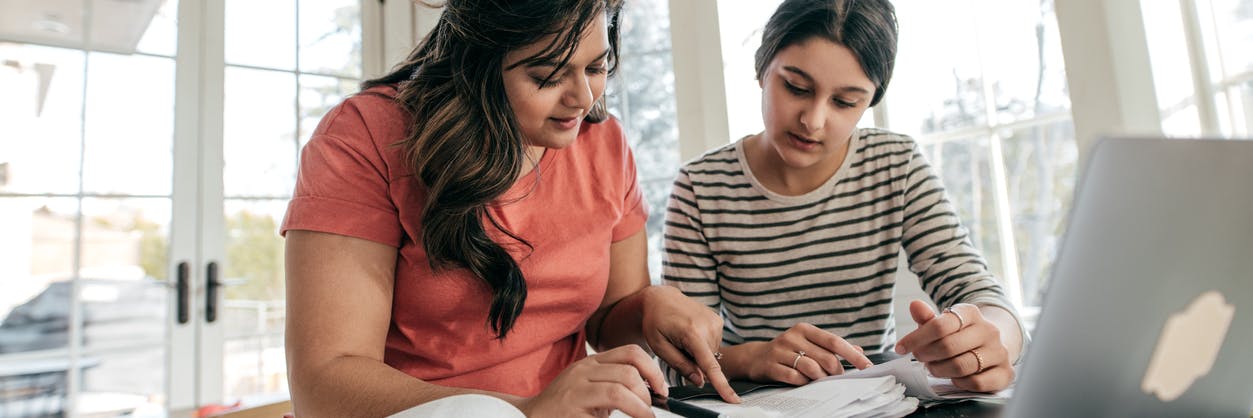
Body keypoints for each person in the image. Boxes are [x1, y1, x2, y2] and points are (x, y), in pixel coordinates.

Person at [281, 1, 740, 416]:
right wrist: (529, 410)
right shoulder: (365, 137)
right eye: (547, 76)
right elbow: (324, 383)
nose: (583, 98)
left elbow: (606, 319)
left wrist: (650, 308)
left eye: (597, 67)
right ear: (478, 63)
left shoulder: (604, 142)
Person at [661, 0, 1027, 393]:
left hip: (878, 403)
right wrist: (754, 357)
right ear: (762, 68)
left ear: (870, 101)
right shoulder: (701, 186)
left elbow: (985, 298)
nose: (813, 120)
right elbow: (677, 360)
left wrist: (991, 340)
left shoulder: (895, 164)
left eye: (845, 102)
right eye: (796, 87)